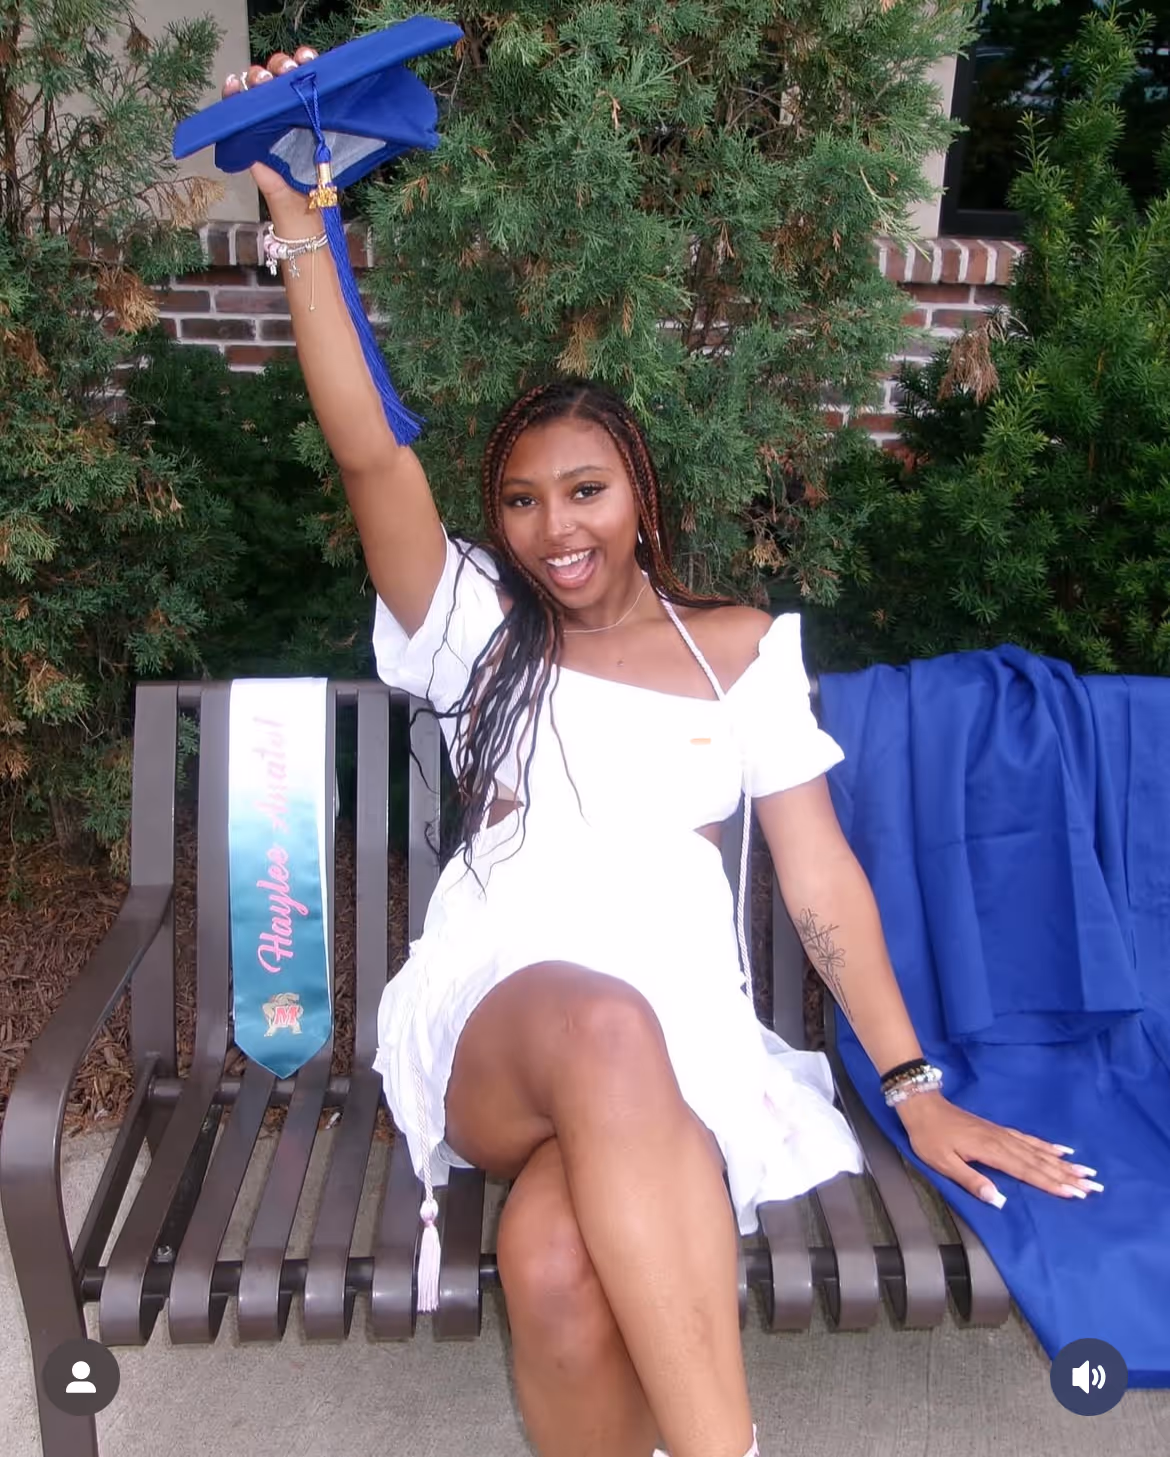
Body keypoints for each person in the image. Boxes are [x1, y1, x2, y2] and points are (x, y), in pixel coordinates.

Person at [223, 51, 1103, 1457]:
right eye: (517, 501)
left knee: (563, 1265)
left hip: (679, 1040)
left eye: (583, 489)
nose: (551, 526)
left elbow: (817, 885)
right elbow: (372, 461)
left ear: (639, 494)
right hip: (504, 1026)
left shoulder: (741, 651)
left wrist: (917, 1091)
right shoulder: (472, 633)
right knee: (593, 1021)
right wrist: (298, 226)